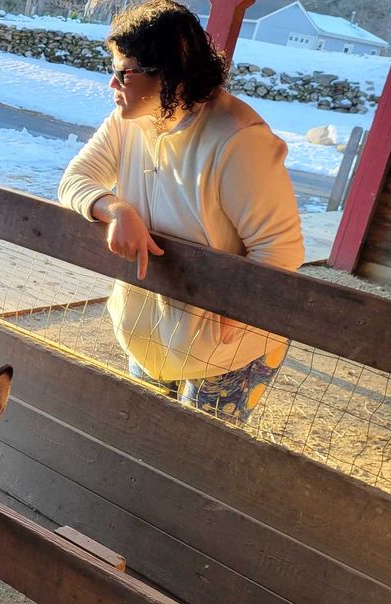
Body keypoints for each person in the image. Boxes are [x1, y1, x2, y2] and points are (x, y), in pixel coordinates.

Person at [58, 0, 305, 425]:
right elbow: (75, 179)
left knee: (197, 453)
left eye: (124, 73)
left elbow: (280, 250)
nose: (112, 84)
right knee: (145, 439)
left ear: (168, 73)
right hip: (148, 333)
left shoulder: (239, 141)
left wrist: (229, 319)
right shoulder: (128, 119)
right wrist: (115, 208)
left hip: (226, 351)